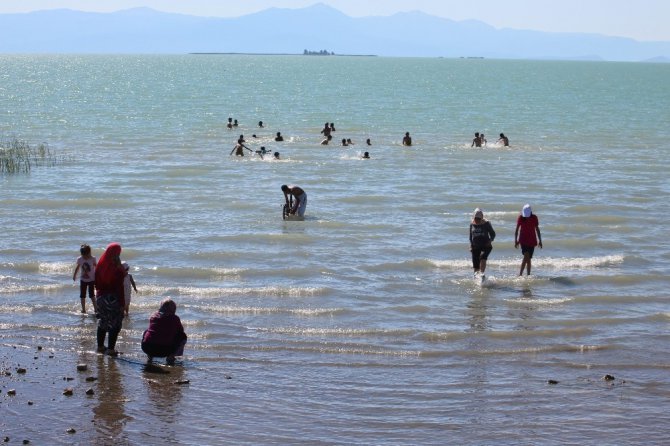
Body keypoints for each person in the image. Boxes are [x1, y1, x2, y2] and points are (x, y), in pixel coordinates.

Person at [95, 243, 127, 356]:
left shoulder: (101, 264)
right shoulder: (117, 268)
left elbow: (96, 282)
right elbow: (120, 288)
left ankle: (100, 347)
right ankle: (111, 349)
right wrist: (123, 304)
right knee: (115, 324)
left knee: (102, 322)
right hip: (113, 299)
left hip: (100, 297)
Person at [141, 298, 187, 365]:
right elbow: (181, 331)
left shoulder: (153, 316)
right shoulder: (175, 318)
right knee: (182, 336)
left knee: (147, 331)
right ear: (173, 309)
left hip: (147, 347)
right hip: (164, 350)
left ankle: (150, 357)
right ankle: (171, 357)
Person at [514, 204, 542, 276]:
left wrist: (540, 240)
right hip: (523, 240)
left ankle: (528, 275)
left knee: (528, 259)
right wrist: (516, 241)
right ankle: (520, 275)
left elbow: (537, 229)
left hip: (532, 241)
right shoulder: (520, 218)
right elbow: (517, 229)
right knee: (526, 256)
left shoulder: (534, 218)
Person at [469, 208, 496, 279]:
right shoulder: (472, 224)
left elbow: (493, 234)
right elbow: (470, 236)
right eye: (476, 218)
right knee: (476, 265)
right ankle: (476, 279)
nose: (477, 220)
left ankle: (482, 274)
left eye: (478, 218)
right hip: (475, 246)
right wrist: (471, 245)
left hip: (486, 245)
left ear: (481, 218)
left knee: (483, 257)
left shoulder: (486, 223)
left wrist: (490, 241)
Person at [73, 244, 97, 314]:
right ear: (81, 254)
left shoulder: (93, 258)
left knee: (92, 295)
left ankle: (96, 308)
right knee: (82, 295)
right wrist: (74, 275)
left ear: (89, 253)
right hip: (83, 280)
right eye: (83, 255)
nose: (85, 257)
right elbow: (77, 268)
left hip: (92, 280)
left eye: (86, 255)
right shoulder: (80, 259)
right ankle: (83, 309)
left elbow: (97, 267)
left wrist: (98, 276)